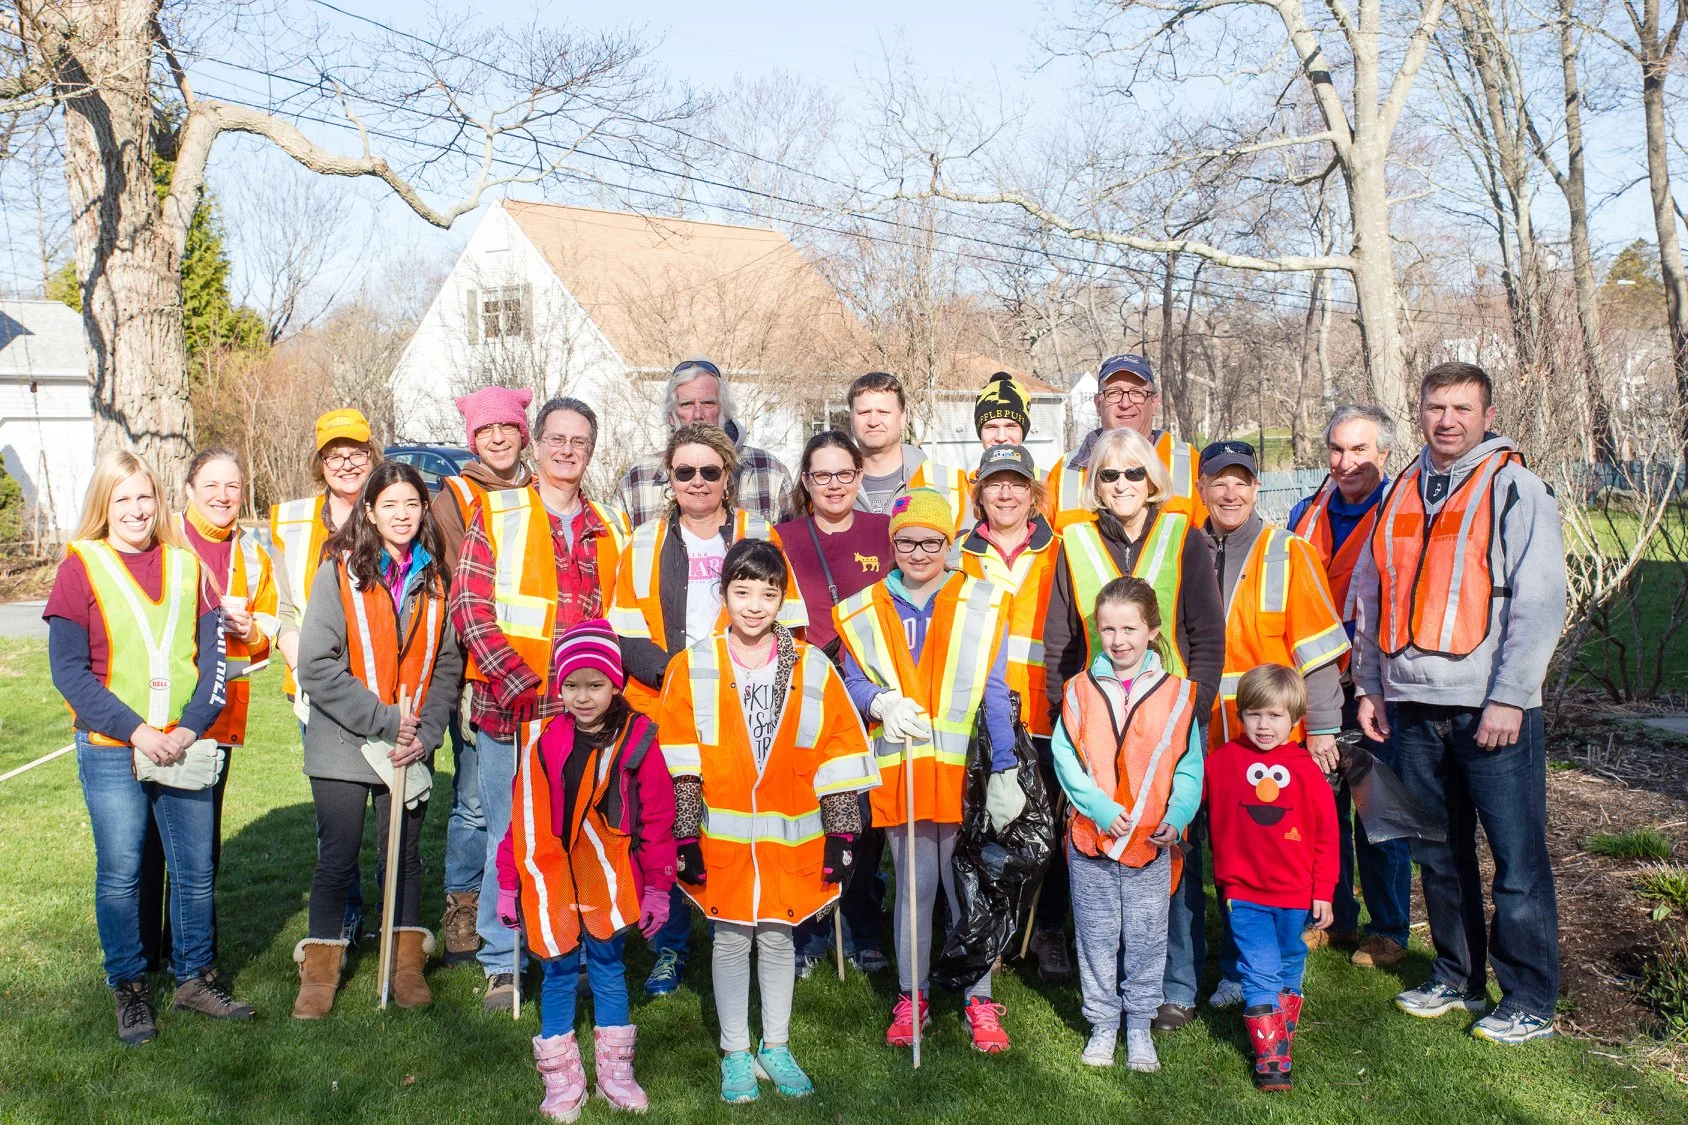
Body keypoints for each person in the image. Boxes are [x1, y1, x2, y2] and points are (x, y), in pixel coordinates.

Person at [1354, 362, 1568, 1045]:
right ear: (1419, 411)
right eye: (1435, 406)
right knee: (1438, 854)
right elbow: (1370, 595)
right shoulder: (1402, 491)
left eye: (1461, 407)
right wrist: (1370, 685)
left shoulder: (1514, 486)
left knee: (1516, 860)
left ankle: (1529, 997)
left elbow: (1539, 599)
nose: (1446, 419)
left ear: (1486, 411)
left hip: (1491, 710)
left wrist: (1511, 695)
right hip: (1411, 705)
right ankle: (1458, 975)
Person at [660, 540, 880, 1102]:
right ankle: (736, 1053)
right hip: (722, 839)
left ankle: (775, 1046)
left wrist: (842, 835)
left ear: (784, 598)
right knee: (730, 941)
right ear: (724, 593)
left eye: (768, 592)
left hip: (790, 840)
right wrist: (686, 836)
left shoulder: (811, 666)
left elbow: (836, 753)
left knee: (780, 940)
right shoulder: (693, 666)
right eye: (742, 591)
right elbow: (681, 759)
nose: (755, 604)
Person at [46, 449, 247, 1046]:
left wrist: (187, 728)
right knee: (122, 873)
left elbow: (215, 664)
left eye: (144, 497)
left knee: (194, 872)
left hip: (185, 742)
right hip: (112, 745)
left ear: (160, 502)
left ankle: (195, 978)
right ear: (102, 506)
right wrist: (139, 731)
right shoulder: (78, 568)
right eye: (121, 498)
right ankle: (130, 988)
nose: (135, 510)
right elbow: (70, 673)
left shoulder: (188, 569)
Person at [608, 422, 806, 998]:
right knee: (665, 824)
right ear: (669, 478)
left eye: (710, 471)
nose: (697, 481)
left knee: (738, 822)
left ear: (729, 477)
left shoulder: (758, 531)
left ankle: (742, 928)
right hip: (663, 699)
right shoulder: (643, 540)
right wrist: (681, 677)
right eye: (684, 471)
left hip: (744, 702)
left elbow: (788, 620)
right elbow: (624, 630)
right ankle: (669, 945)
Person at [1041, 426, 1224, 1031]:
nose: (1121, 485)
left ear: (1153, 480)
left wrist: (1186, 722)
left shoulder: (1185, 538)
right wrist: (1061, 720)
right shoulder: (1074, 541)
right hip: (1095, 722)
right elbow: (1061, 643)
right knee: (1101, 852)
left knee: (1169, 850)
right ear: (1094, 483)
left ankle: (1174, 985)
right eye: (1109, 475)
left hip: (1165, 722)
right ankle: (1111, 991)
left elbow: (1205, 636)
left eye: (1133, 474)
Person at [451, 396, 625, 1012]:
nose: (567, 449)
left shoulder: (611, 527)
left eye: (579, 440)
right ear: (537, 442)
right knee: (509, 836)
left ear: (592, 449)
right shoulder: (497, 513)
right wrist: (524, 684)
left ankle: (569, 948)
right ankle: (504, 960)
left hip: (585, 721)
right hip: (513, 711)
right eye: (556, 437)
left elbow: (618, 623)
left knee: (576, 837)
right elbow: (470, 609)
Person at [834, 488, 1021, 1055]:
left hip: (963, 772)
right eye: (907, 541)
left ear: (949, 542)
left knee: (968, 889)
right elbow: (853, 680)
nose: (918, 552)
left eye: (931, 541)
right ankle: (911, 995)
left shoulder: (981, 601)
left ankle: (977, 996)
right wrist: (879, 703)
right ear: (893, 545)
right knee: (915, 889)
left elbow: (993, 690)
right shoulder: (865, 608)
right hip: (903, 771)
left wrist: (1005, 768)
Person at [293, 461, 462, 1019]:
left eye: (411, 505)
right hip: (344, 740)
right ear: (369, 511)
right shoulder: (337, 571)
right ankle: (319, 975)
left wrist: (428, 731)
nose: (402, 515)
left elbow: (445, 666)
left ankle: (406, 965)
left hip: (410, 743)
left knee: (405, 857)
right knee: (337, 857)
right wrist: (387, 719)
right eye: (389, 504)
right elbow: (316, 665)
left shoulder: (436, 579)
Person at [495, 620, 676, 1120]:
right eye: (571, 686)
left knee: (607, 968)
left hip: (608, 877)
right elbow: (523, 817)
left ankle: (615, 1073)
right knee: (556, 971)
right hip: (553, 879)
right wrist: (508, 883)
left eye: (595, 685)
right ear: (559, 688)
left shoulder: (638, 739)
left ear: (615, 684)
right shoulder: (544, 742)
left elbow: (658, 818)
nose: (582, 697)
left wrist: (659, 886)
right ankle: (561, 1078)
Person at [1195, 439, 1350, 1009]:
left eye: (1242, 481)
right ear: (1202, 489)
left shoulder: (1289, 552)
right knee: (1229, 851)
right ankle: (1238, 958)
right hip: (1211, 739)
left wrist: (1324, 729)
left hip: (1270, 739)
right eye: (1219, 482)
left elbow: (1318, 654)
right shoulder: (1189, 549)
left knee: (1268, 851)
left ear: (1257, 487)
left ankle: (1262, 969)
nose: (1230, 492)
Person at [1051, 577, 1203, 1074]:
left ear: (1153, 631)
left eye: (1130, 628)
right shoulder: (1078, 691)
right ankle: (1101, 1023)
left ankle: (1139, 1026)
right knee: (1096, 935)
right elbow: (1065, 757)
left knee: (1145, 937)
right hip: (1092, 839)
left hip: (1150, 844)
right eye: (1108, 628)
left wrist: (1177, 819)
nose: (1119, 639)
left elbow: (1188, 767)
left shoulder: (1179, 696)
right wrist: (1095, 806)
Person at [1288, 404, 1413, 969]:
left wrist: (1372, 681)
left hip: (1375, 685)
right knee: (1321, 809)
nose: (1347, 462)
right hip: (1316, 681)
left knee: (1375, 808)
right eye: (1338, 450)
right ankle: (1334, 915)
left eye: (1360, 450)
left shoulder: (1401, 514)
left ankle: (1389, 927)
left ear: (1384, 454)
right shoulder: (1303, 512)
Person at [774, 430, 893, 975]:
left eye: (844, 474)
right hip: (804, 692)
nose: (834, 485)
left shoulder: (886, 533)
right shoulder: (783, 538)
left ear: (859, 476)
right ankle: (810, 929)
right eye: (822, 475)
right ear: (806, 481)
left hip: (870, 693)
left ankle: (866, 926)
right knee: (808, 814)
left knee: (863, 817)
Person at [433, 386, 538, 969]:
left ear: (523, 432)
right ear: (471, 438)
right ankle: (465, 906)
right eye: (484, 430)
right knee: (477, 799)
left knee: (529, 802)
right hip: (478, 669)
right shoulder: (455, 497)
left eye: (506, 427)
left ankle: (529, 911)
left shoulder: (541, 488)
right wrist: (478, 669)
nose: (497, 438)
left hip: (540, 678)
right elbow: (458, 585)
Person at [957, 443, 1070, 979]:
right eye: (995, 482)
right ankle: (988, 930)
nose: (1006, 493)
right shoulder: (955, 552)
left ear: (1034, 493)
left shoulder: (1063, 550)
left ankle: (1046, 929)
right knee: (983, 827)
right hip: (975, 715)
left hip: (1045, 713)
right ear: (979, 492)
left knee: (1044, 827)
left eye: (1017, 483)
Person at [1206, 665, 1338, 1093]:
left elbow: (1326, 836)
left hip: (1296, 894)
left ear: (1296, 718)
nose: (1264, 725)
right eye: (1255, 714)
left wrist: (1323, 892)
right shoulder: (1222, 763)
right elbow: (1190, 794)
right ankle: (1272, 1057)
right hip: (1242, 891)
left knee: (1289, 960)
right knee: (1260, 968)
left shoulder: (1305, 769)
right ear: (1240, 714)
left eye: (1276, 716)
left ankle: (1279, 1025)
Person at [615, 357, 794, 528]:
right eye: (686, 404)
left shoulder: (769, 472)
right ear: (671, 416)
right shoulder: (638, 479)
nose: (698, 414)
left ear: (724, 411)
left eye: (708, 403)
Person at [1045, 354, 1206, 532]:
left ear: (1154, 403)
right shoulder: (1066, 472)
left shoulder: (1190, 464)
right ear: (1098, 404)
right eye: (1114, 393)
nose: (1125, 403)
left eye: (1137, 393)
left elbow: (1215, 543)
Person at [846, 371, 970, 533]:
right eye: (864, 412)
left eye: (883, 412)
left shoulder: (950, 485)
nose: (873, 422)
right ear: (851, 419)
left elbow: (962, 555)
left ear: (903, 417)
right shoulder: (827, 488)